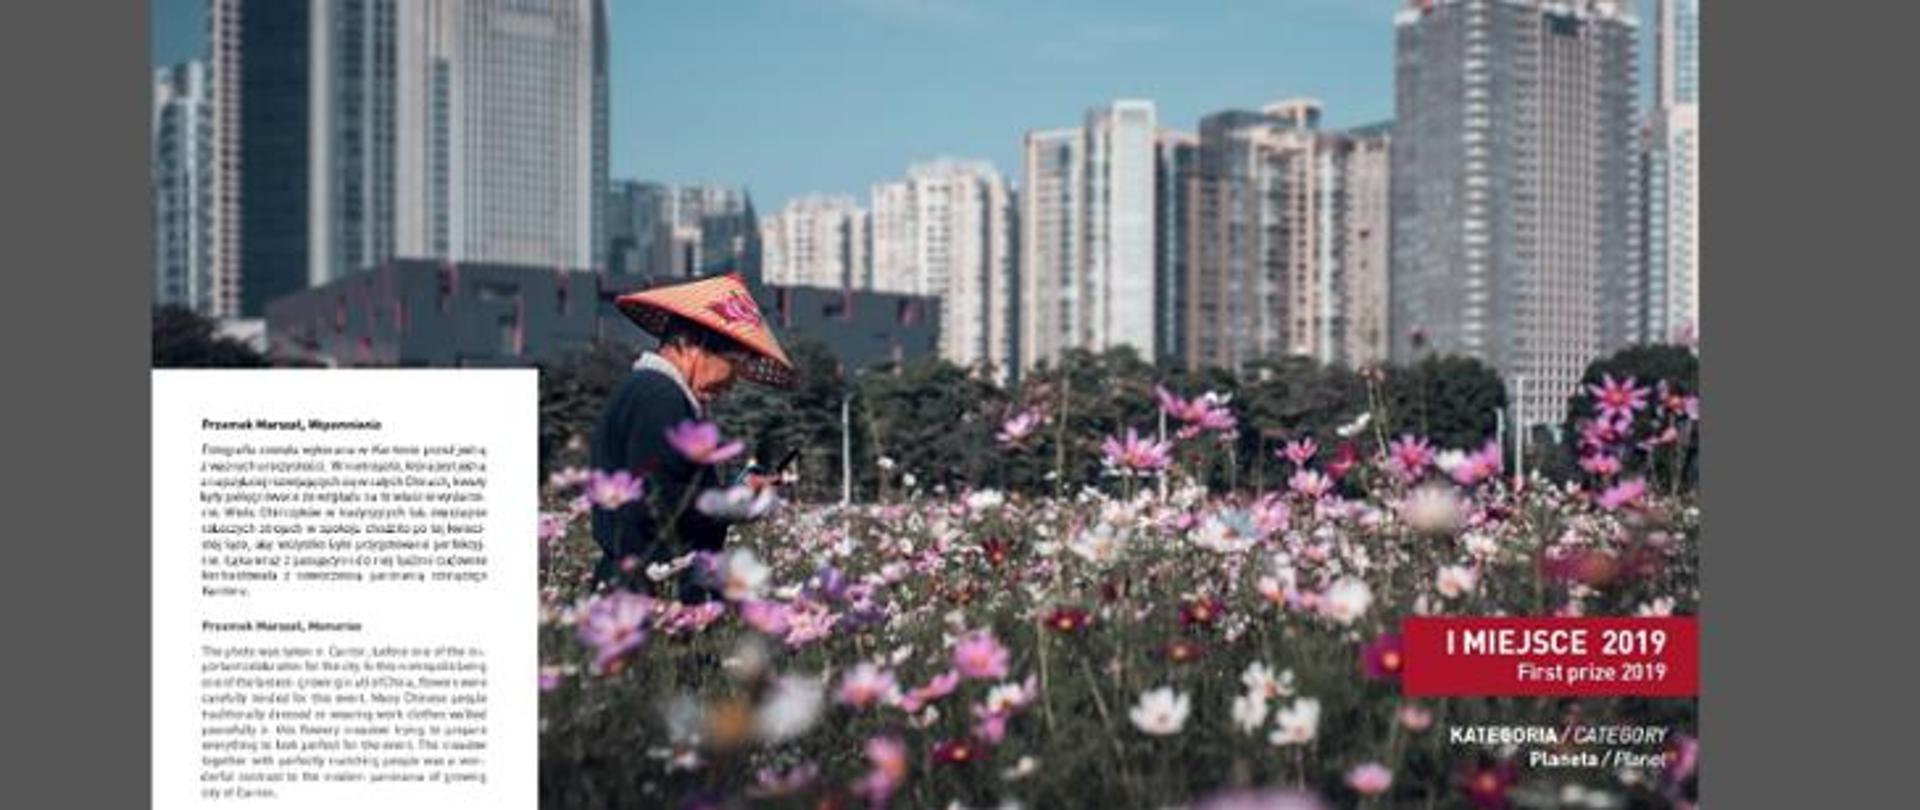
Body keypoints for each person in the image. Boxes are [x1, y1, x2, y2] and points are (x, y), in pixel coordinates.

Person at [590, 272, 795, 599]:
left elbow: (665, 487)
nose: (732, 384)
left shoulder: (644, 389)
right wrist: (736, 503)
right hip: (649, 588)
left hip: (634, 580)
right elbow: (660, 499)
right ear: (695, 346)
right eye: (734, 366)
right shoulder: (662, 396)